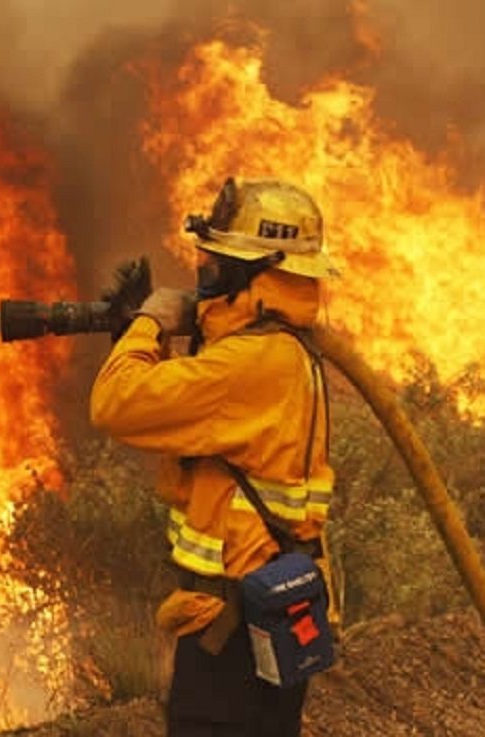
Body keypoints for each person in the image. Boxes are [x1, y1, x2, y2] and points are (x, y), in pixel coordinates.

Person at [90, 177, 339, 737]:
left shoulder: (252, 363)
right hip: (261, 618)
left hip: (234, 636)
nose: (204, 271)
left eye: (219, 261)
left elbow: (115, 405)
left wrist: (149, 326)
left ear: (259, 272)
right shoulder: (279, 350)